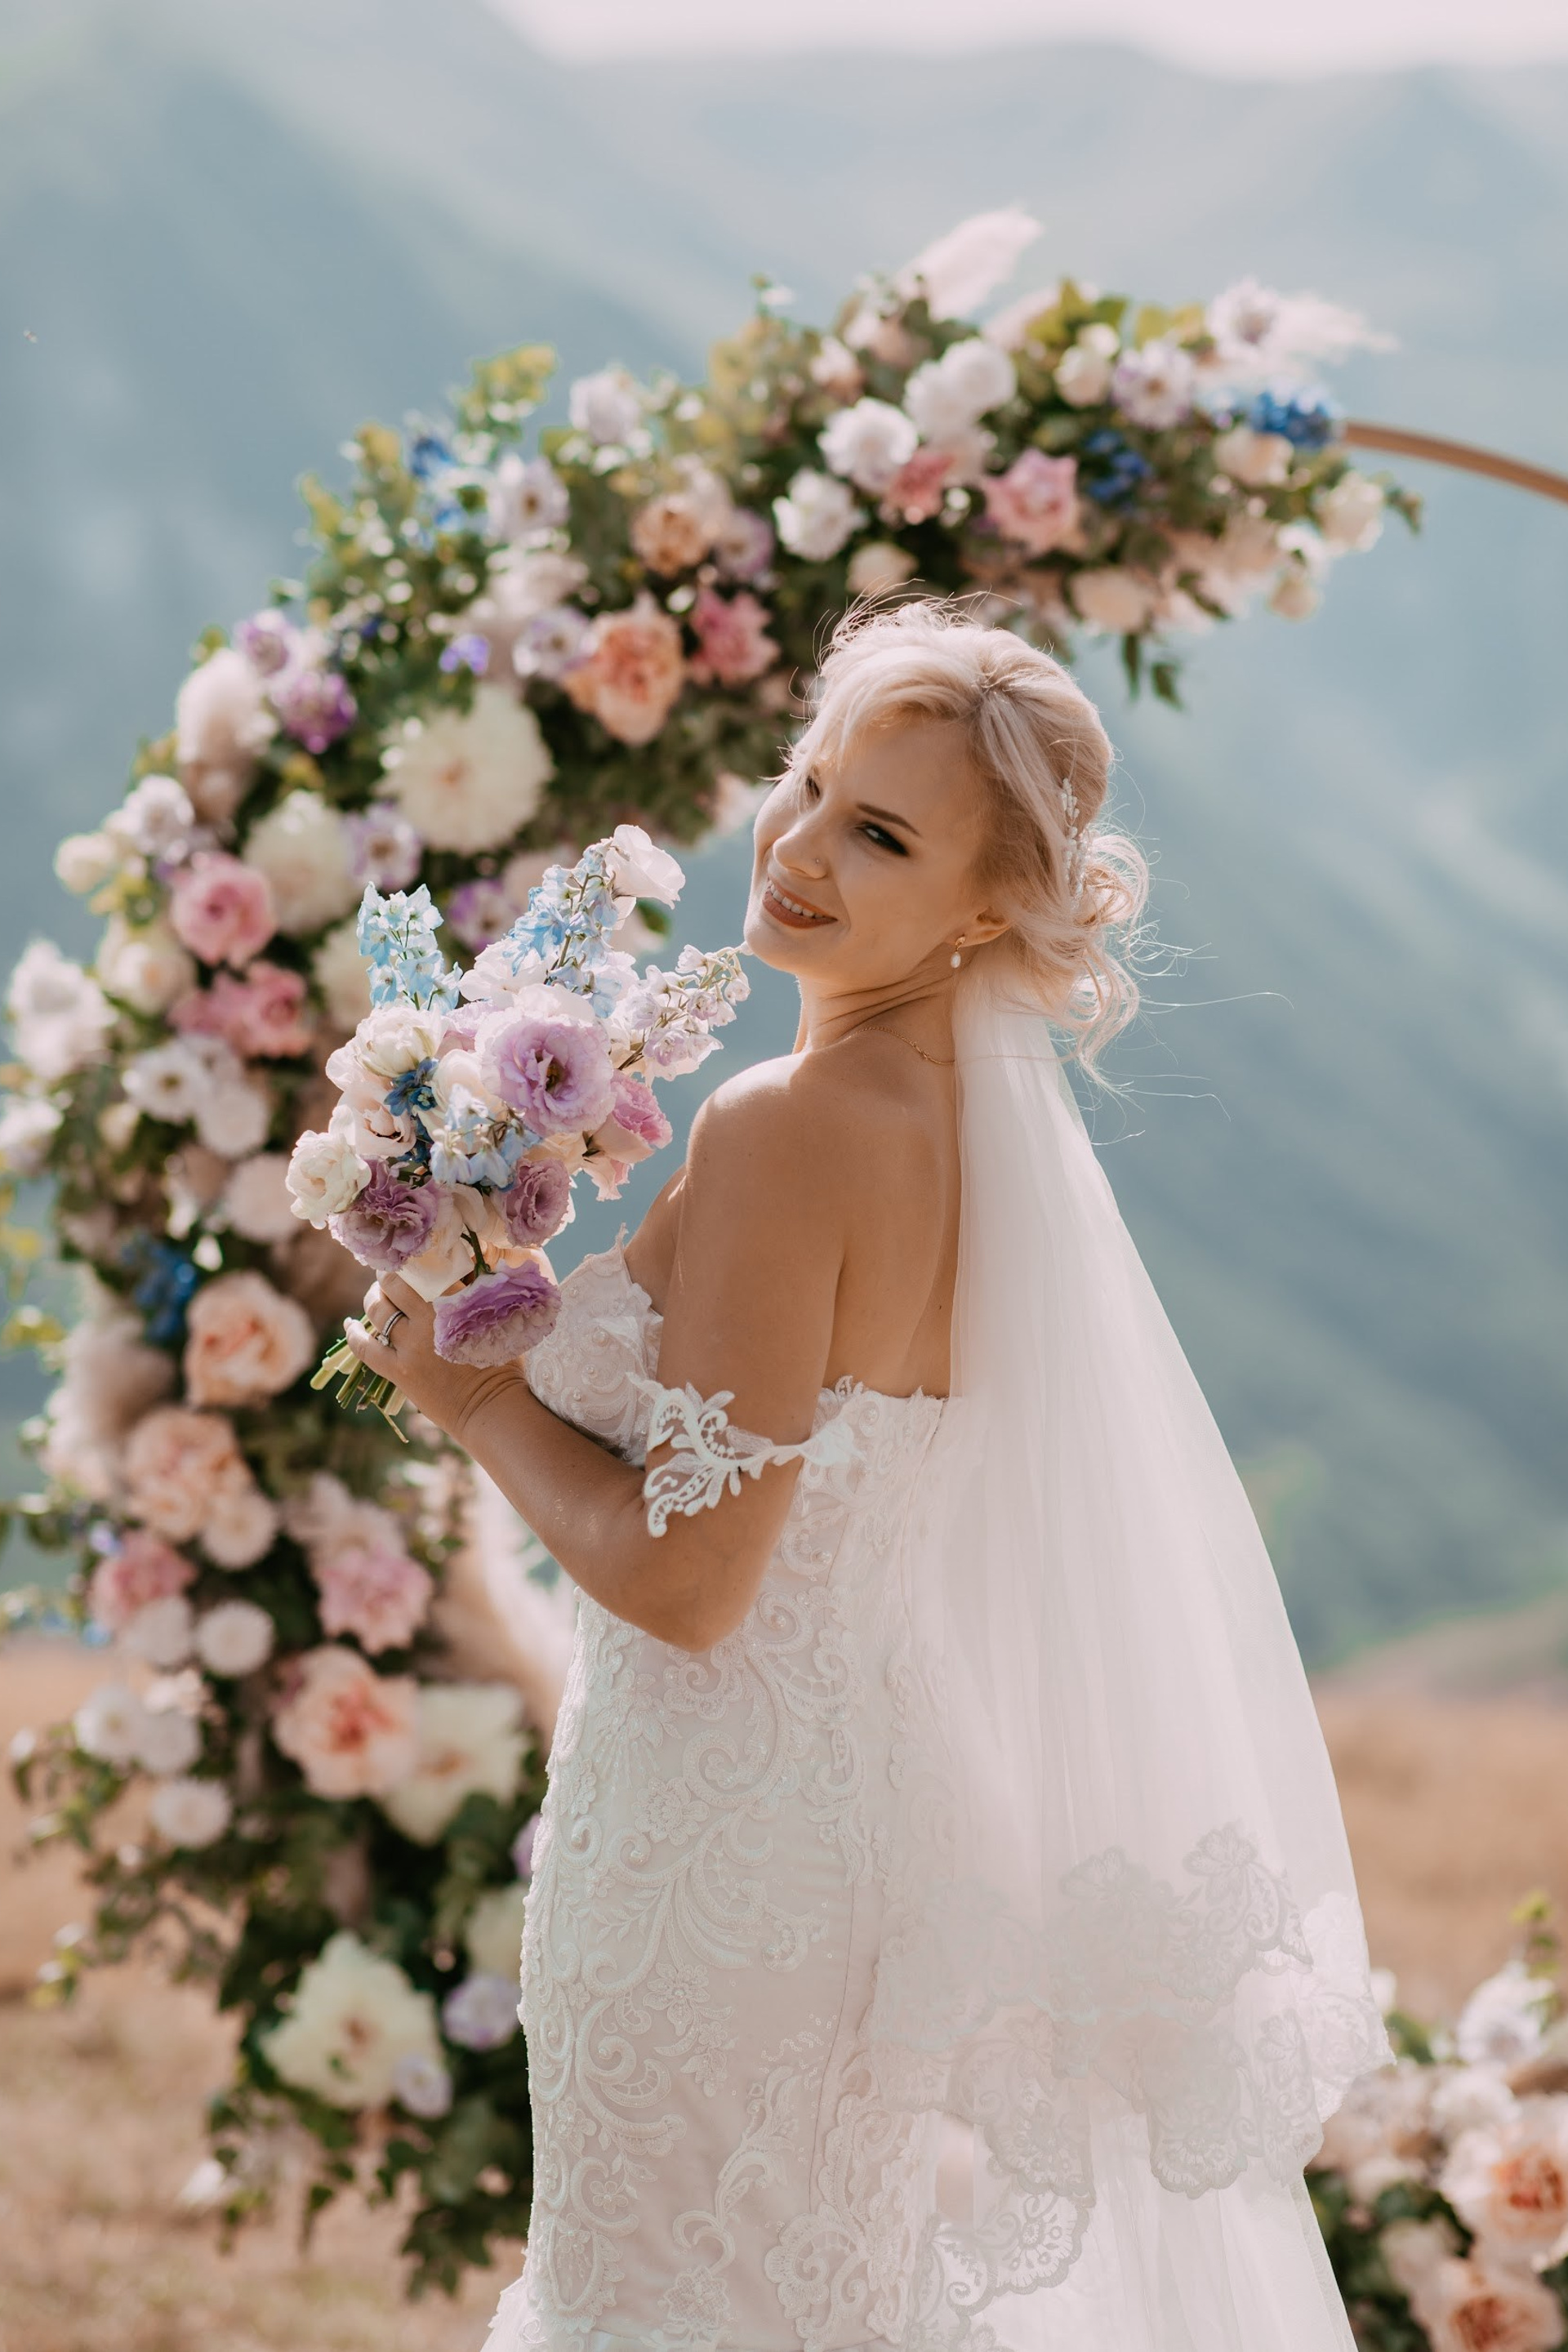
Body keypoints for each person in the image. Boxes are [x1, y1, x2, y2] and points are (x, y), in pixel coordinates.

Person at [346, 599, 1388, 2352]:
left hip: (720, 1869)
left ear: (988, 909)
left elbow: (695, 1583)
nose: (805, 849)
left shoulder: (789, 1128)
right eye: (813, 785)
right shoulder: (967, 1143)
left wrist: (477, 1412)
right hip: (845, 1849)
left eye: (881, 834)